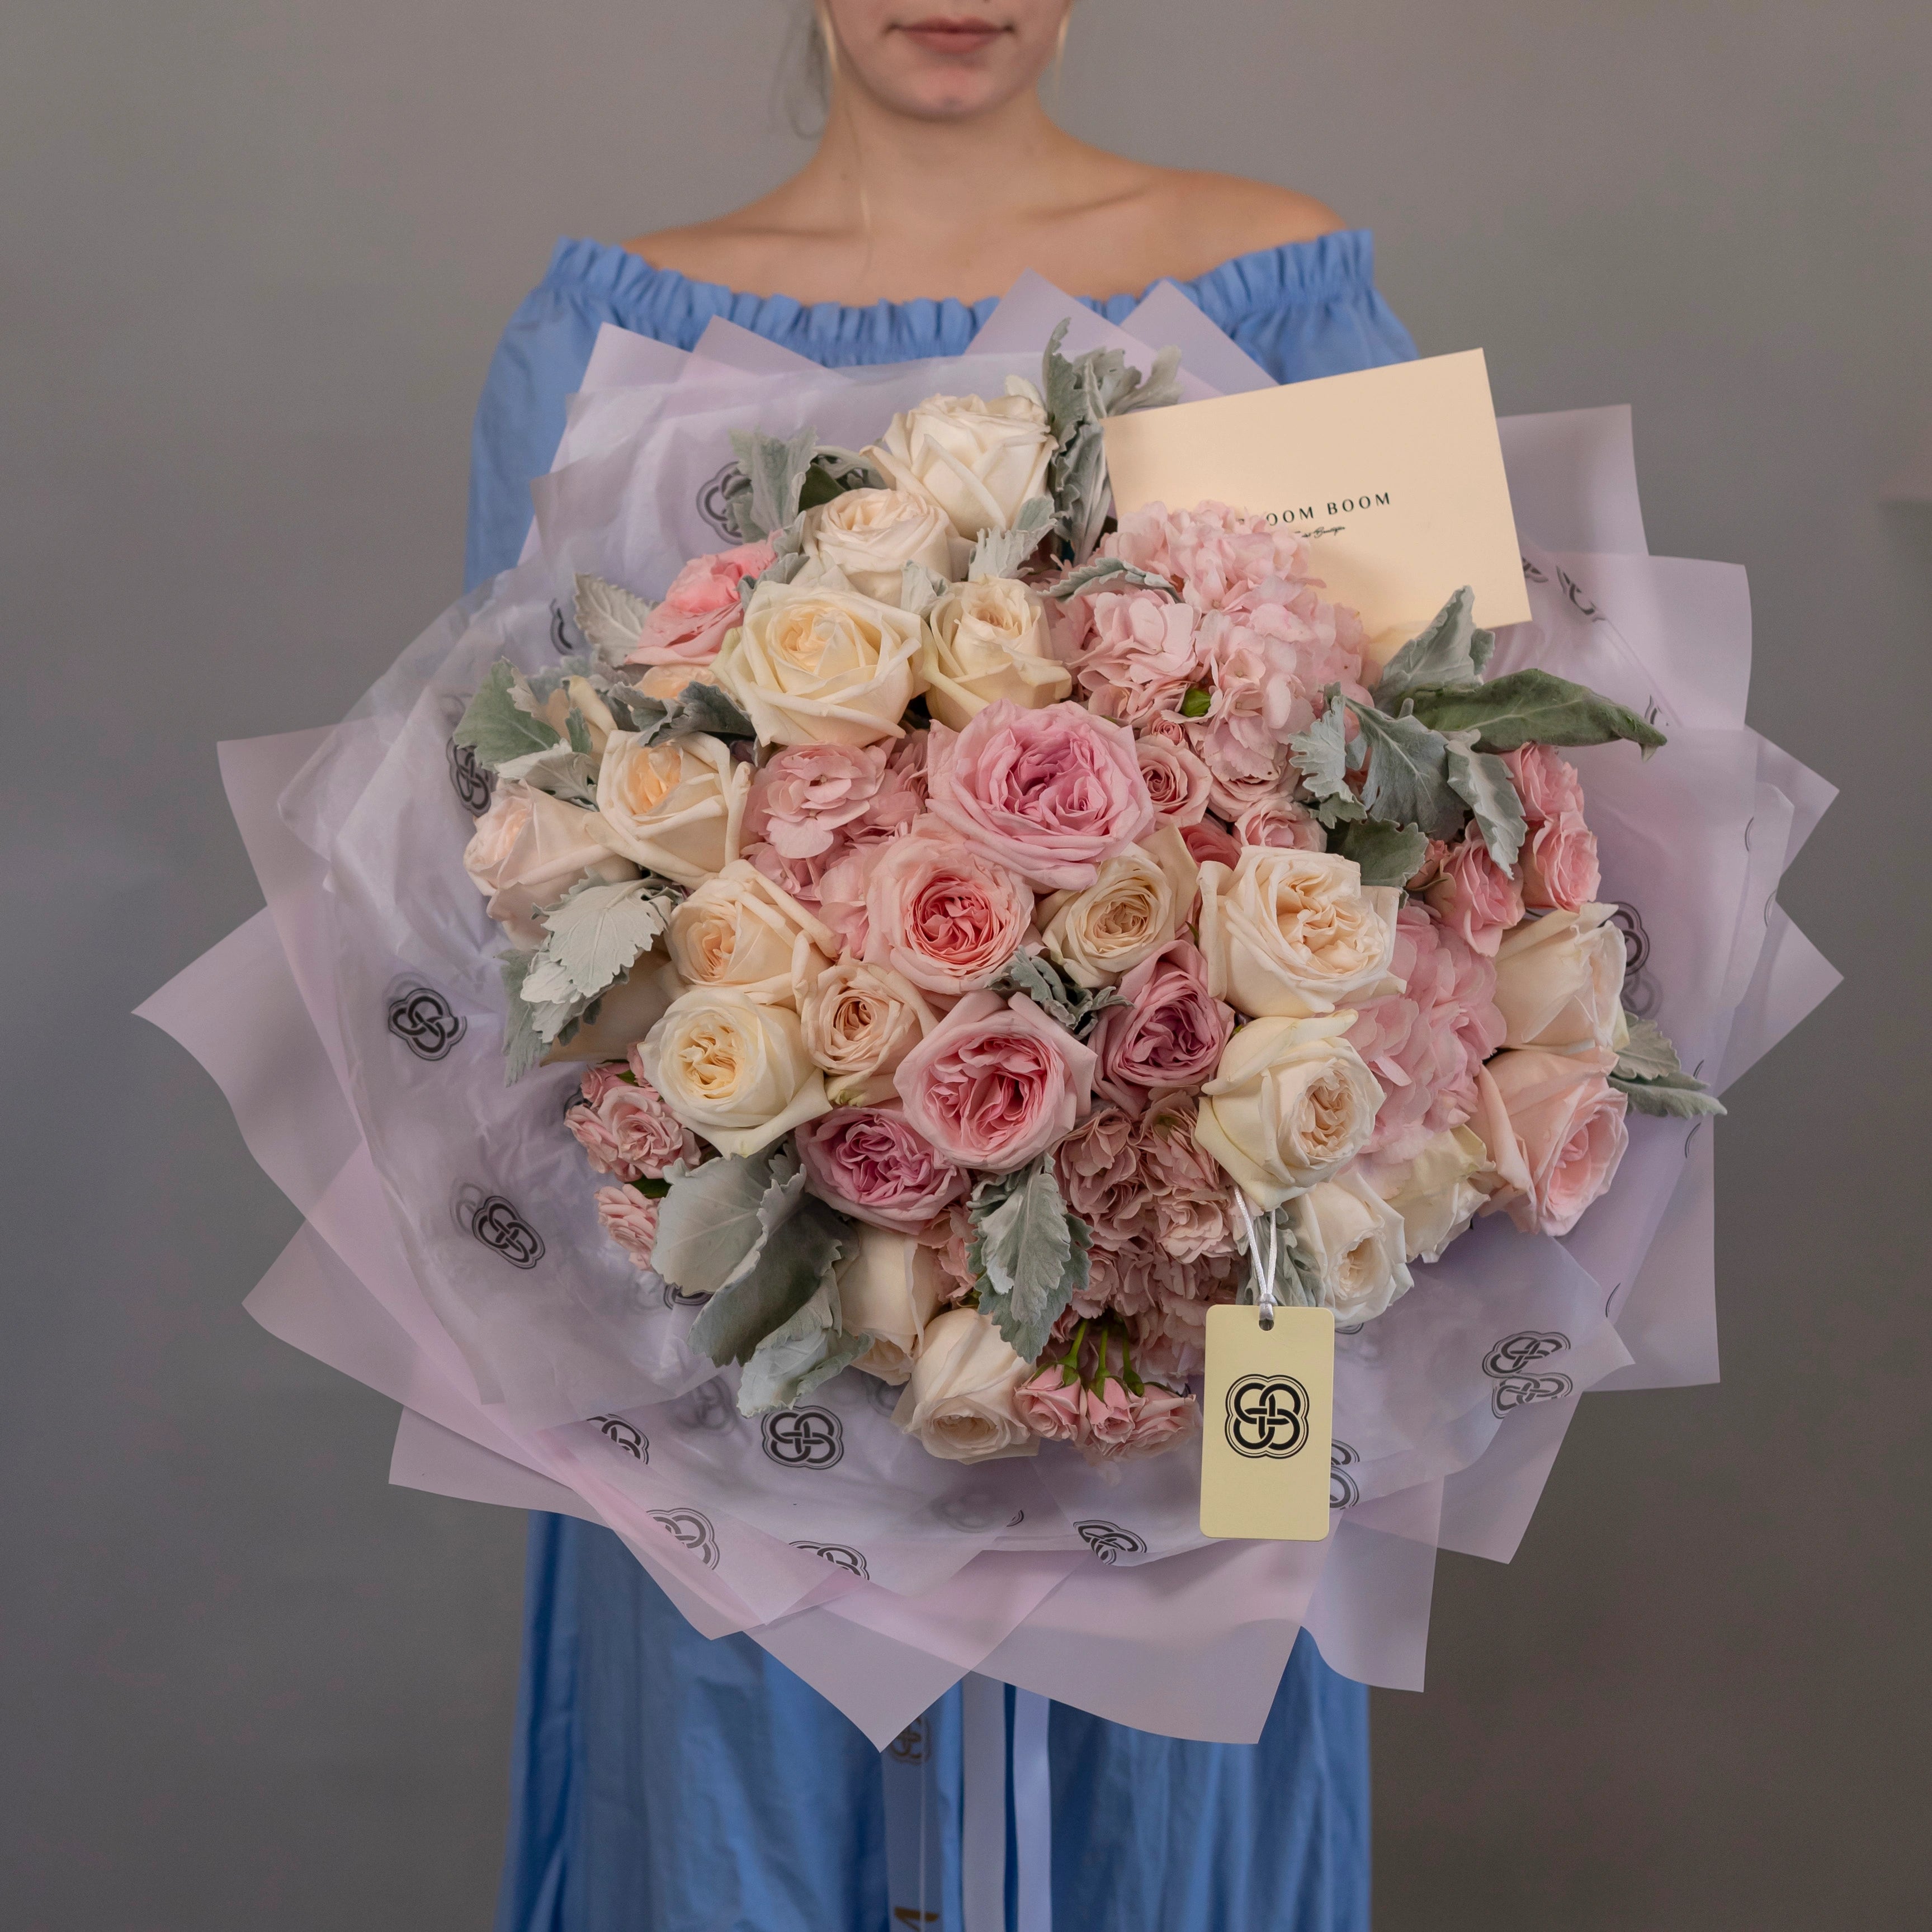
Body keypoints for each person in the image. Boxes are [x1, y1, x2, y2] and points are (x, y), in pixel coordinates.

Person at [472, 6, 1411, 1926]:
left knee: (1194, 1789)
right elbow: (517, 862)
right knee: (738, 1802)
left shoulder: (1288, 301)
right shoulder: (605, 343)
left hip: (1225, 1292)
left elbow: (1423, 828)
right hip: (748, 1289)